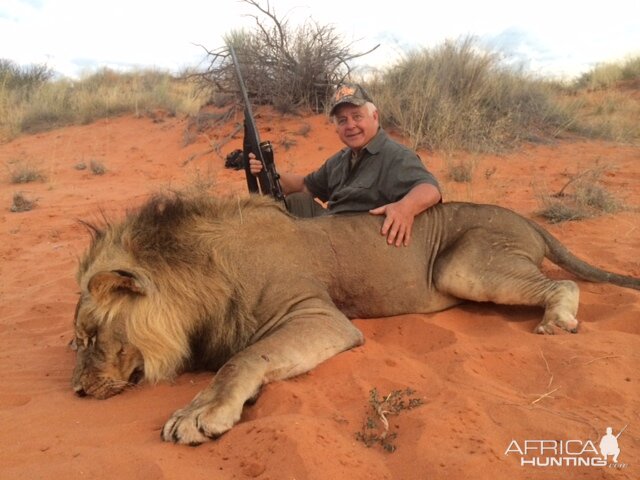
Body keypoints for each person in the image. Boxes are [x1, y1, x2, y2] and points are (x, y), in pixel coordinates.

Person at [249, 83, 441, 247]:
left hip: (359, 245)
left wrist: (405, 208)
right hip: (331, 231)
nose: (350, 125)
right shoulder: (341, 159)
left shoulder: (396, 155)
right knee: (296, 202)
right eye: (342, 120)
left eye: (357, 116)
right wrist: (268, 173)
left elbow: (430, 188)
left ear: (375, 116)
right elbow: (305, 186)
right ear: (337, 127)